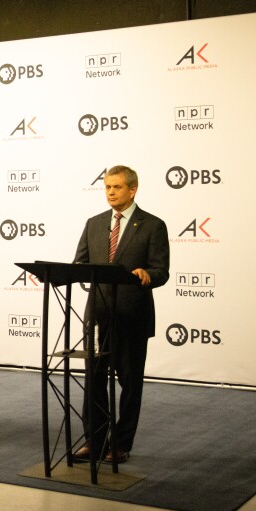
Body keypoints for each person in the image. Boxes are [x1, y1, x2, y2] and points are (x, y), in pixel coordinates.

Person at [73, 164, 169, 464]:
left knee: (130, 382)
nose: (110, 192)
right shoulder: (94, 223)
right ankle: (95, 441)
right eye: (107, 187)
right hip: (99, 315)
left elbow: (161, 271)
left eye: (116, 187)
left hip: (132, 316)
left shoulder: (152, 225)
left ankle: (121, 443)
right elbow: (79, 263)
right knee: (94, 380)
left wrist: (146, 274)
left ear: (132, 189)